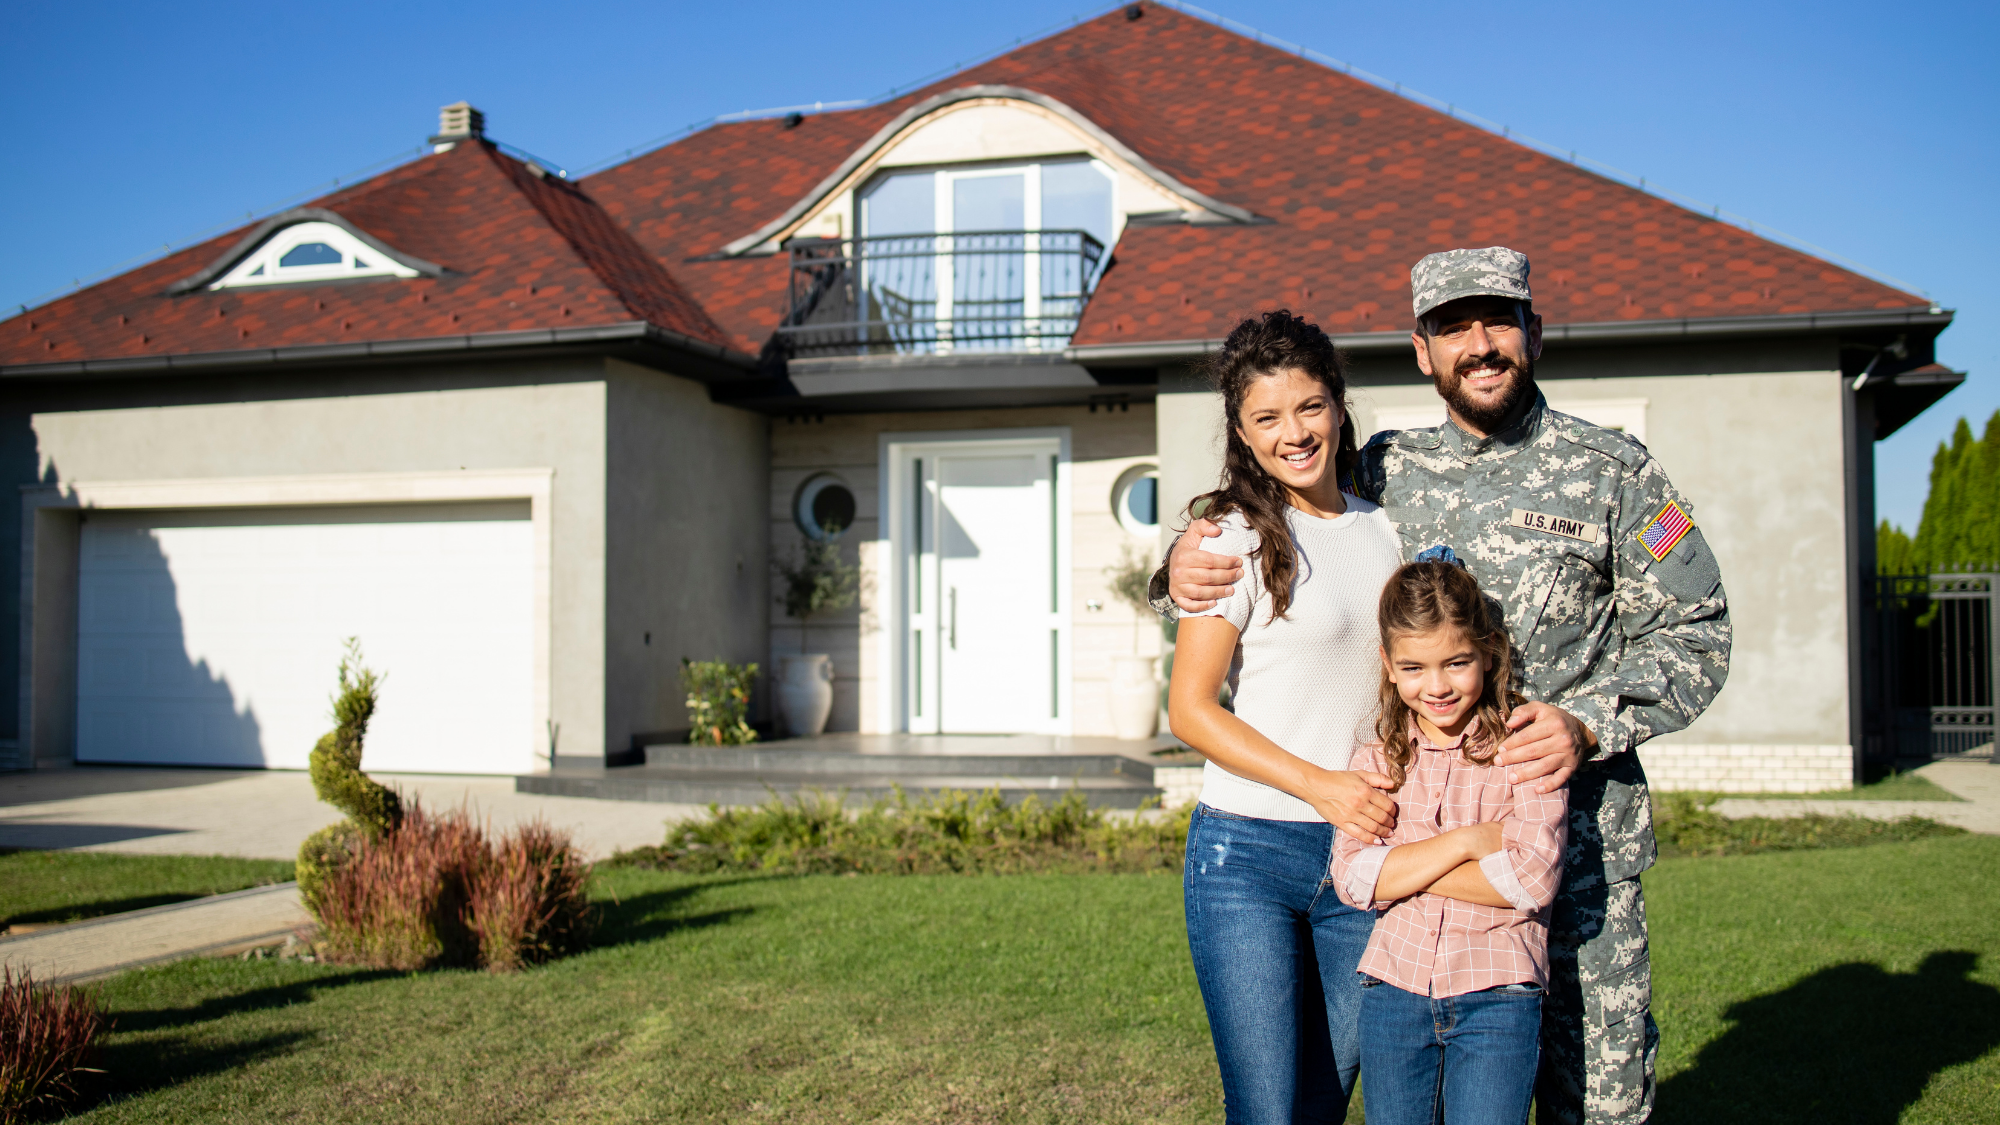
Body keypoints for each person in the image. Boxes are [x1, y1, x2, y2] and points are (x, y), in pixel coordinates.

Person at [1155, 247, 1732, 1125]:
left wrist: (1585, 722)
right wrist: (1176, 567)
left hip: (1581, 858)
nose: (1480, 344)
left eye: (1498, 320)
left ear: (1533, 331)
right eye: (1452, 327)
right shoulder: (1386, 473)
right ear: (1421, 351)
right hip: (1422, 853)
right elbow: (1277, 532)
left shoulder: (1616, 470)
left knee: (1601, 1105)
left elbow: (1700, 631)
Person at [1165, 310, 1405, 1123]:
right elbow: (1191, 711)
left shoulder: (1389, 529)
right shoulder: (1230, 535)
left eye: (1308, 406)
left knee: (1322, 1102)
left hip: (1362, 856)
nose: (1293, 432)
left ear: (1338, 406)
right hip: (1247, 854)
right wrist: (1321, 785)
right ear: (1242, 430)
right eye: (1266, 417)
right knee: (1268, 1110)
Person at [1332, 547, 1567, 1125]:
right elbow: (1356, 879)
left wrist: (1406, 872)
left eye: (1456, 663)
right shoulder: (1377, 758)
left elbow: (1531, 880)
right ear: (1389, 665)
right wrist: (1467, 843)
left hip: (1499, 995)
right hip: (1395, 992)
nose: (1435, 686)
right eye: (1413, 668)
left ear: (1487, 654)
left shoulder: (1524, 752)